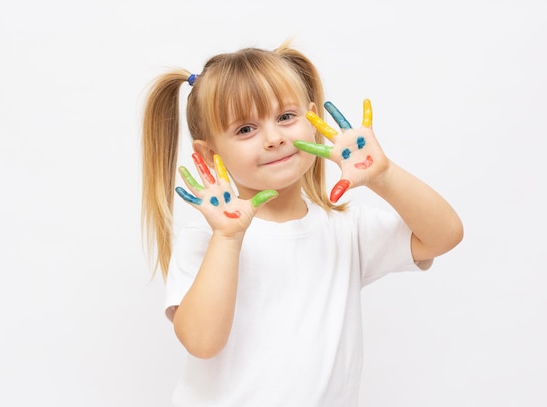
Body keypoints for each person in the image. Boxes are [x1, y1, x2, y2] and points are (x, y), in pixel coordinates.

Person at [141, 40, 463, 406]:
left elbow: (445, 235)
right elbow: (202, 342)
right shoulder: (206, 237)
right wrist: (228, 239)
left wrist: (383, 175)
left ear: (314, 120)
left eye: (285, 117)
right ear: (210, 153)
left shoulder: (345, 229)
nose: (275, 138)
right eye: (246, 129)